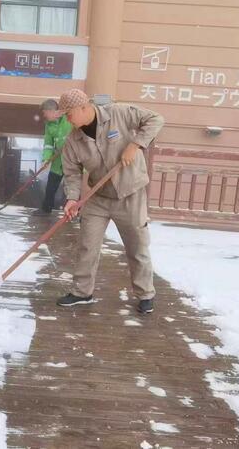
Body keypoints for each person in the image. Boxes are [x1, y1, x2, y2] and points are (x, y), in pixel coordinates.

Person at [55, 89, 164, 314]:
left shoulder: (118, 114)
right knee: (88, 244)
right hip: (99, 197)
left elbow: (155, 119)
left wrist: (135, 145)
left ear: (84, 108)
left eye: (69, 114)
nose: (67, 119)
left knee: (137, 246)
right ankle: (81, 292)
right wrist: (72, 199)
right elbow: (72, 173)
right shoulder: (73, 140)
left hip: (130, 193)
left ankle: (145, 294)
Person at [32, 99, 73, 216]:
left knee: (73, 187)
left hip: (73, 160)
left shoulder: (68, 118)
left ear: (51, 111)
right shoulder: (49, 126)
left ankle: (77, 211)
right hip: (58, 160)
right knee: (51, 186)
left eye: (44, 113)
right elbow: (48, 144)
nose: (44, 116)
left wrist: (69, 143)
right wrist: (46, 159)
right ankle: (46, 209)